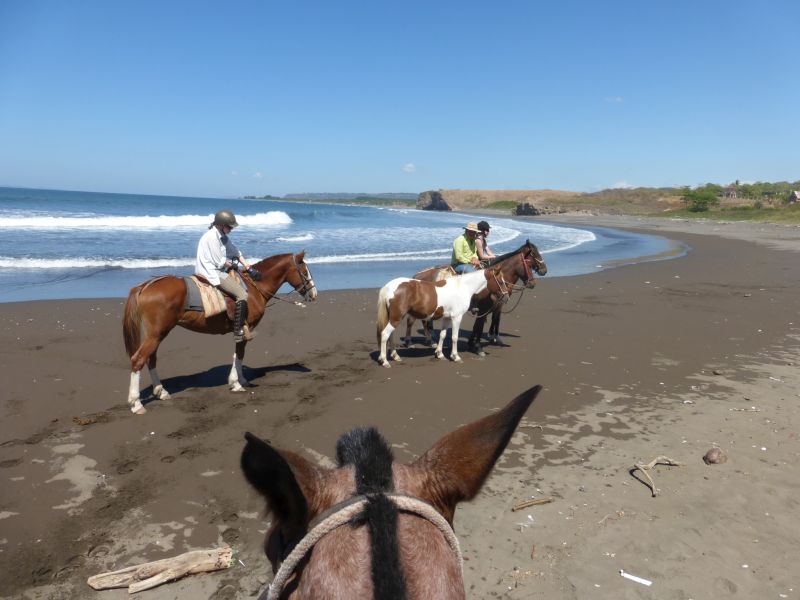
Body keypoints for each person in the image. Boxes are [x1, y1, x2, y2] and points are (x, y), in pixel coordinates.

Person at [195, 209, 260, 342]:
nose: (231, 229)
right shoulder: (212, 237)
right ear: (220, 224)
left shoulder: (222, 236)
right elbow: (219, 261)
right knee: (242, 294)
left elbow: (235, 251)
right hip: (211, 272)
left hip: (218, 268)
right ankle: (238, 332)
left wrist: (247, 266)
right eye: (229, 226)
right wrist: (231, 265)